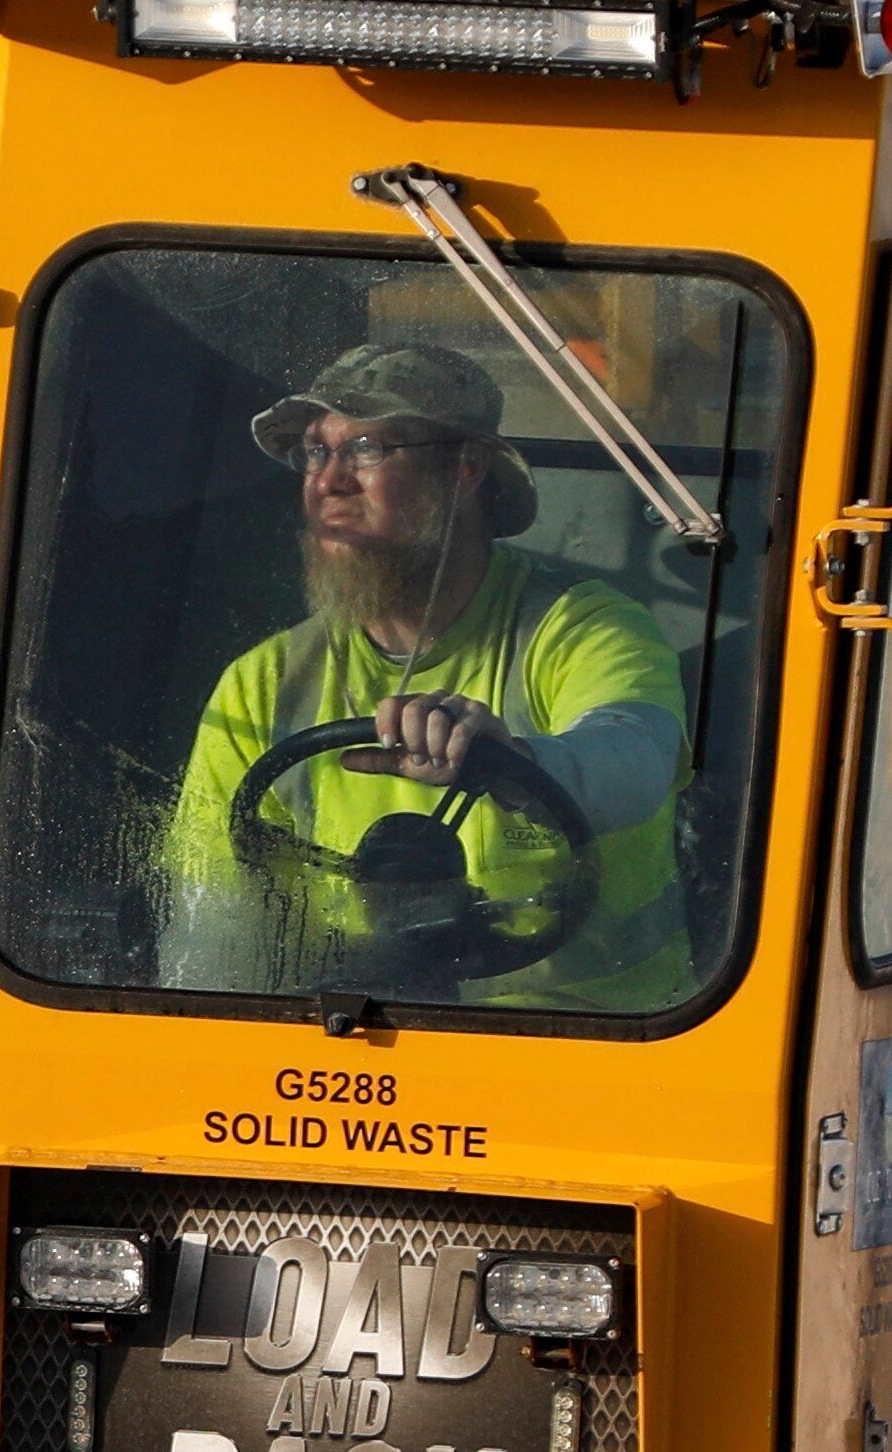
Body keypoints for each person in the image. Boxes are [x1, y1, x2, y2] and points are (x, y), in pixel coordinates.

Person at [152, 341, 688, 1005]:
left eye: (369, 448)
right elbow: (211, 928)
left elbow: (635, 757)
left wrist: (516, 762)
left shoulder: (582, 630)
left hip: (598, 1054)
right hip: (359, 1056)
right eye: (316, 452)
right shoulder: (262, 684)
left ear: (465, 467)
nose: (330, 480)